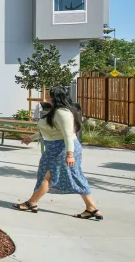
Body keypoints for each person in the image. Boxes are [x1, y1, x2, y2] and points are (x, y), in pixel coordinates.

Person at [14, 87, 102, 220]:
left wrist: (70, 154)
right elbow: (50, 129)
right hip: (54, 148)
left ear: (56, 97)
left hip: (62, 148)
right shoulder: (56, 111)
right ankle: (91, 208)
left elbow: (68, 135)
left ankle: (32, 203)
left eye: (49, 95)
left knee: (48, 176)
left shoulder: (63, 113)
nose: (47, 97)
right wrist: (31, 138)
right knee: (74, 176)